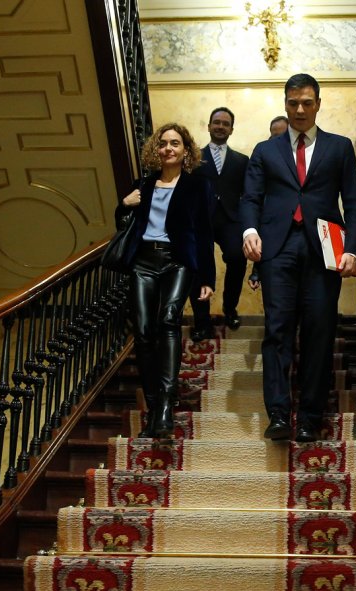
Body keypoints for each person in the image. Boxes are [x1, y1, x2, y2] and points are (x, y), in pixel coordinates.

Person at [241, 74, 356, 442]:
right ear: (285, 103)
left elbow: (354, 204)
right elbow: (250, 198)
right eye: (293, 102)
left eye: (307, 102)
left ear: (318, 104)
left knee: (319, 333)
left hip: (324, 250)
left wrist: (353, 249)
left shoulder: (339, 147)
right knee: (277, 332)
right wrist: (249, 231)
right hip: (277, 249)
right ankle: (278, 414)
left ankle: (310, 417)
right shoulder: (266, 150)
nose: (299, 109)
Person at [117, 123, 215, 438]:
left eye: (175, 143)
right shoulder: (143, 185)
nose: (168, 149)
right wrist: (124, 204)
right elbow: (122, 223)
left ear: (186, 150)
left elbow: (204, 234)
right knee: (144, 333)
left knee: (169, 320)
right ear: (156, 150)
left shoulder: (197, 186)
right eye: (163, 144)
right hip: (143, 261)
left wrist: (206, 278)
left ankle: (164, 410)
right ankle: (154, 402)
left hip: (178, 261)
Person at [188, 107, 249, 340]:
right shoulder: (193, 158)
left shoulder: (242, 161)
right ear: (209, 126)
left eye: (225, 123)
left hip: (231, 220)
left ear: (232, 129)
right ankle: (202, 322)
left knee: (237, 257)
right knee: (198, 269)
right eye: (217, 122)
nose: (220, 126)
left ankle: (229, 308)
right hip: (200, 220)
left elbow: (249, 193)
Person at [247, 115, 293, 291]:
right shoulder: (264, 170)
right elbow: (260, 222)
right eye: (275, 136)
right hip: (272, 251)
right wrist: (256, 271)